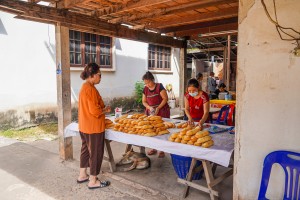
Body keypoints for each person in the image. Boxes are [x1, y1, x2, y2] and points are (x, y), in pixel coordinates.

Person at [77, 63, 111, 189]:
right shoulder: (90, 89)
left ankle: (82, 175)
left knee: (85, 150)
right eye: (99, 75)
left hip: (84, 126)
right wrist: (105, 111)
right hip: (94, 127)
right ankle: (93, 180)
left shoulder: (84, 87)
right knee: (96, 153)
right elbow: (95, 111)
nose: (100, 78)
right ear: (92, 75)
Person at [142, 71, 170, 158]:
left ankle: (162, 149)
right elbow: (144, 101)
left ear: (152, 80)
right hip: (151, 112)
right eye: (146, 83)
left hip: (162, 111)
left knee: (161, 130)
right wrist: (149, 107)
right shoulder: (145, 89)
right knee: (152, 130)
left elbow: (165, 98)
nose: (147, 85)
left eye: (149, 82)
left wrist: (158, 108)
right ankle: (153, 148)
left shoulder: (159, 86)